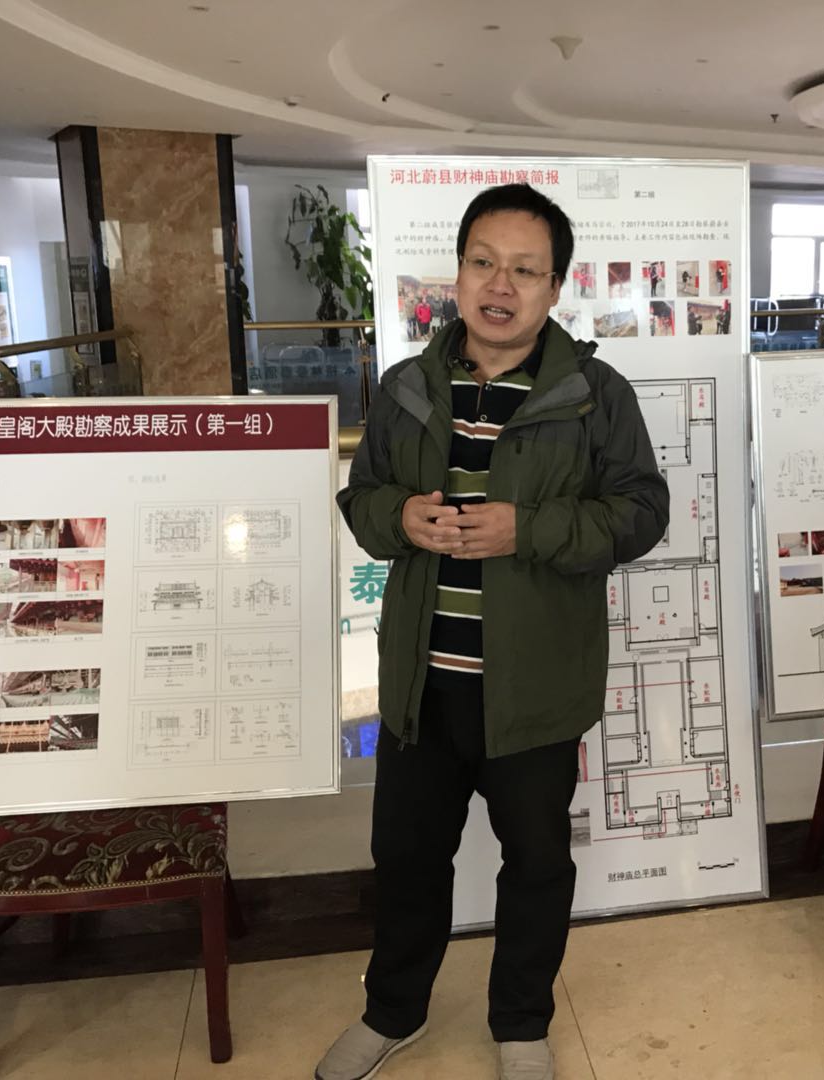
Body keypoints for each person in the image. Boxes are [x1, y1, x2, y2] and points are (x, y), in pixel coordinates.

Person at [325, 183, 669, 1080]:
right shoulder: (407, 388)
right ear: (459, 273)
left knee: (538, 864)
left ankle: (520, 1023)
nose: (499, 285)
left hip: (536, 687)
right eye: (483, 262)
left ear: (555, 286)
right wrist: (400, 517)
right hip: (420, 685)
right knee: (406, 859)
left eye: (524, 268)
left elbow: (641, 513)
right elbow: (361, 501)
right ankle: (393, 1012)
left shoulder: (594, 395)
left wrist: (530, 529)